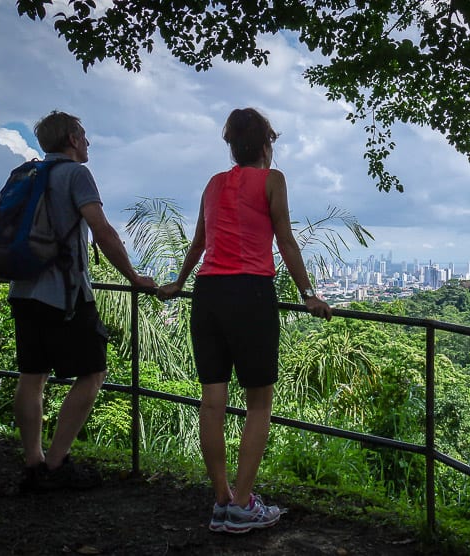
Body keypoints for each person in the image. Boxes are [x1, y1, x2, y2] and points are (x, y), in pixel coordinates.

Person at [157, 107, 332, 534]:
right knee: (259, 403)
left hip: (208, 293)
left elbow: (200, 241)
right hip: (251, 293)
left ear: (233, 146)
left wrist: (179, 282)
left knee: (212, 401)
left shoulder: (214, 183)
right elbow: (286, 241)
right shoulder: (273, 180)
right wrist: (309, 295)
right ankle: (242, 502)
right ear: (266, 143)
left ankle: (220, 502)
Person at [10, 111, 157, 493]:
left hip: (23, 290)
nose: (88, 143)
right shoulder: (76, 174)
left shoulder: (30, 174)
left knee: (31, 378)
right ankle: (56, 464)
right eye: (85, 136)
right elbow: (103, 230)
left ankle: (32, 464)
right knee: (92, 373)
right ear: (73, 139)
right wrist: (134, 277)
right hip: (65, 294)